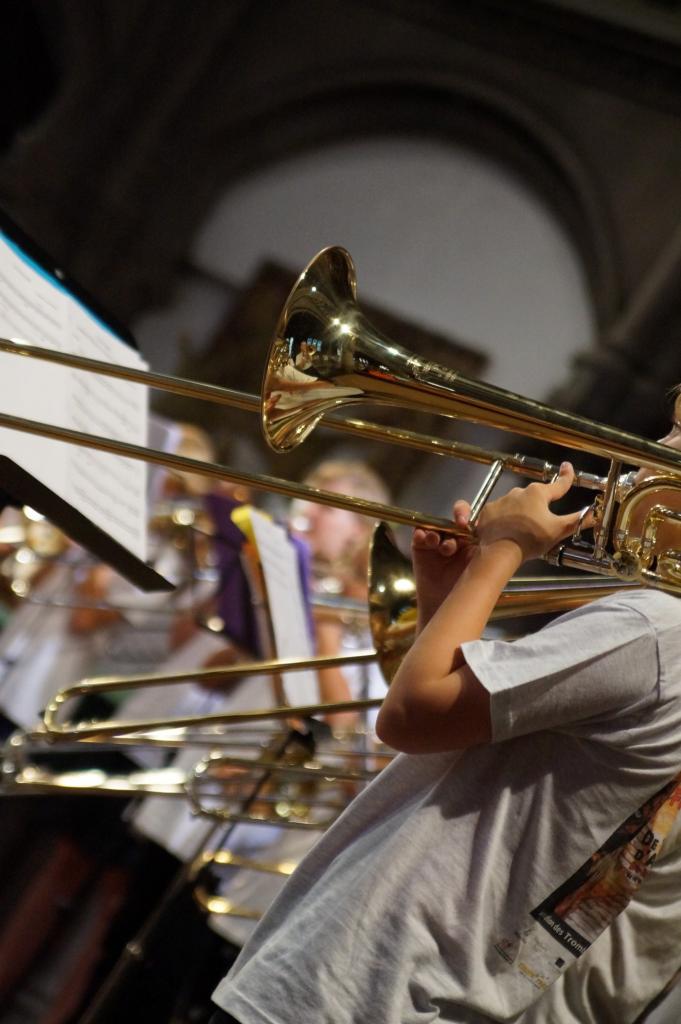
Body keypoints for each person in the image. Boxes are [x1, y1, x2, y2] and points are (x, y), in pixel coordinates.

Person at [208, 408, 681, 1024]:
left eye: (677, 438)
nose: (650, 447)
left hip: (370, 976)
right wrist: (446, 600)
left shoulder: (653, 632)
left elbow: (409, 716)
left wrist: (504, 549)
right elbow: (457, 742)